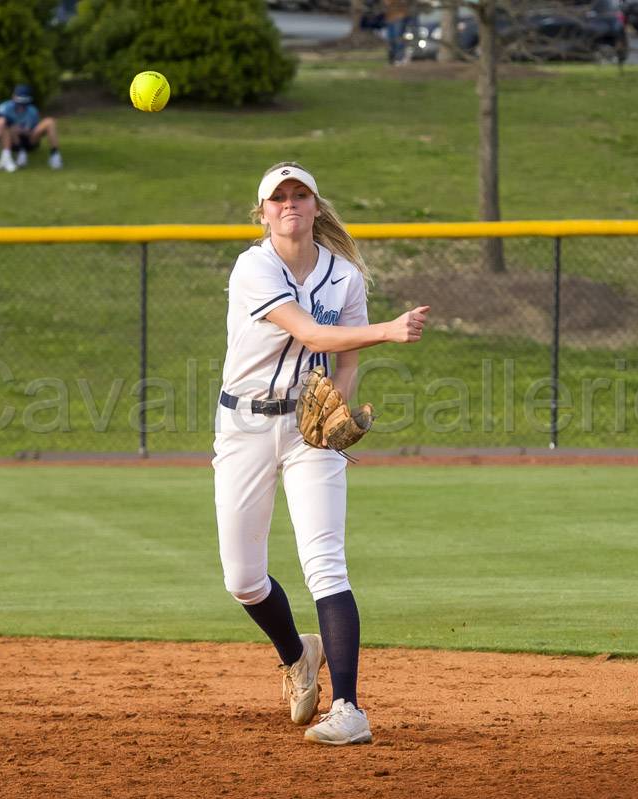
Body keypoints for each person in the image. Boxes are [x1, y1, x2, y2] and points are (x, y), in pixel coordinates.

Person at [215, 162, 429, 745]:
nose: (289, 204)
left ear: (315, 205)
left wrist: (337, 410)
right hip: (245, 426)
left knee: (326, 562)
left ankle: (350, 708)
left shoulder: (344, 277)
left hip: (311, 432)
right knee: (242, 578)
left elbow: (347, 358)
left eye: (299, 195)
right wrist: (389, 330)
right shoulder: (253, 266)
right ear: (262, 213)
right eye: (278, 197)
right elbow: (311, 334)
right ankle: (297, 653)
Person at [0, 84, 63, 170]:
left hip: (29, 139)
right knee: (9, 126)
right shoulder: (4, 108)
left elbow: (34, 129)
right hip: (12, 141)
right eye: (19, 104)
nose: (21, 107)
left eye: (24, 104)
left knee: (50, 121)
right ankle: (19, 153)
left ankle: (55, 154)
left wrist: (25, 131)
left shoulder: (32, 110)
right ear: (13, 97)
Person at [382, 0, 414, 65]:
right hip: (389, 18)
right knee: (390, 40)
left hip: (399, 17)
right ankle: (392, 59)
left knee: (398, 39)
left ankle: (399, 58)